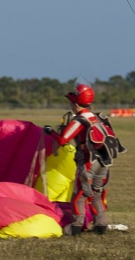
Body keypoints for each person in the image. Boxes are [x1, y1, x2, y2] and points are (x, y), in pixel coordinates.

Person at [44, 80, 121, 235]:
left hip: (87, 162)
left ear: (75, 103)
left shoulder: (80, 120)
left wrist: (50, 131)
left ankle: (75, 226)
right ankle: (101, 223)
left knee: (79, 195)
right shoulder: (99, 118)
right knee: (96, 194)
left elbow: (62, 140)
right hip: (104, 162)